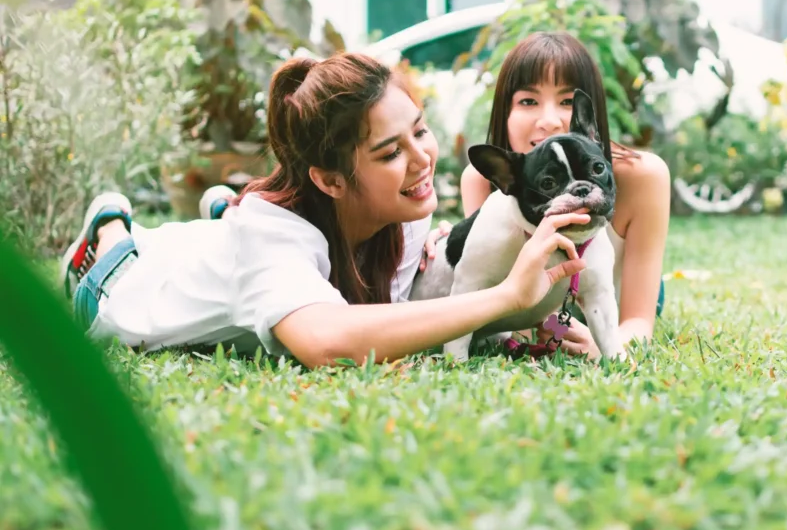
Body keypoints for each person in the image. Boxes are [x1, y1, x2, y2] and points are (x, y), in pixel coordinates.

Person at [61, 52, 592, 368]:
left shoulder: (406, 212)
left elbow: (398, 311)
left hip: (241, 248)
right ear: (330, 180)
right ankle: (108, 225)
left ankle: (223, 209)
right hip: (122, 283)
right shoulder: (272, 235)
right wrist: (504, 296)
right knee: (144, 255)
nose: (421, 159)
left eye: (421, 131)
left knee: (242, 235)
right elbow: (324, 342)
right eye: (390, 152)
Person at [455, 32, 671, 358]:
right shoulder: (483, 180)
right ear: (504, 113)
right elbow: (494, 299)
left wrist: (607, 345)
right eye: (528, 101)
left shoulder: (642, 175)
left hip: (611, 298)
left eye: (567, 101)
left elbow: (638, 320)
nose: (550, 121)